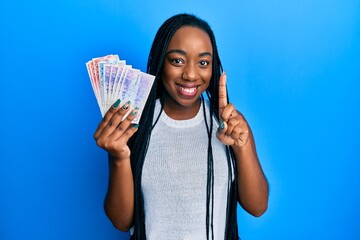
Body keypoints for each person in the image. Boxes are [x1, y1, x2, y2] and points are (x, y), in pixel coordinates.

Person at [93, 13, 269, 240]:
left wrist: (243, 147)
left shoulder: (230, 125)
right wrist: (118, 157)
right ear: (160, 61)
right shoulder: (132, 125)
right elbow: (121, 221)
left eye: (203, 62)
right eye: (177, 60)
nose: (191, 74)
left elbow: (258, 207)